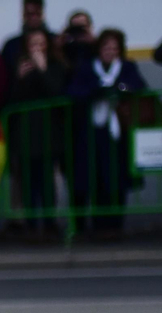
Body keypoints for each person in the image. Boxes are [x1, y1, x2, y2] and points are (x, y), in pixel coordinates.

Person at [67, 28, 147, 236]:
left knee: (115, 179)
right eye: (106, 47)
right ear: (99, 49)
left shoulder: (126, 67)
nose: (110, 51)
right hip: (92, 133)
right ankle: (89, 226)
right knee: (91, 177)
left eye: (114, 48)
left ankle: (114, 225)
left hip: (117, 132)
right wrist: (96, 90)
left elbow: (139, 86)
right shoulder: (88, 68)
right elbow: (74, 91)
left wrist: (123, 90)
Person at [6, 26, 69, 236]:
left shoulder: (56, 66)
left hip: (48, 133)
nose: (37, 49)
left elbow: (56, 93)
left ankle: (50, 222)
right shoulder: (21, 67)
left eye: (41, 44)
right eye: (33, 45)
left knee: (47, 180)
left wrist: (42, 70)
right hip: (25, 134)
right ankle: (31, 224)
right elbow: (12, 100)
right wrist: (19, 78)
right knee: (27, 181)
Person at [1, 0, 48, 74]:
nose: (33, 18)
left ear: (42, 15)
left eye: (37, 14)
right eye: (30, 14)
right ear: (23, 15)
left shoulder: (54, 42)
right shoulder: (11, 45)